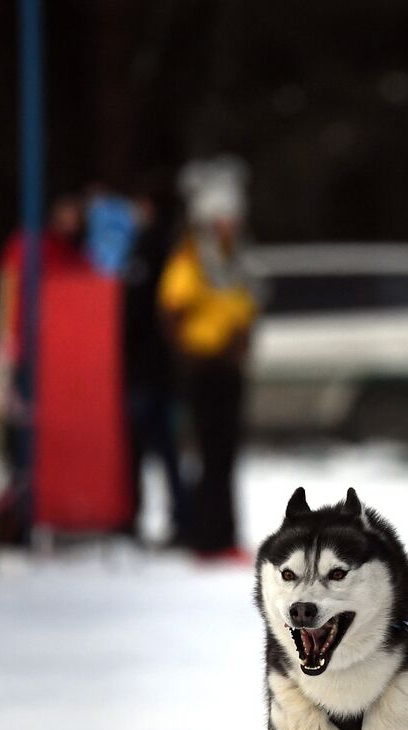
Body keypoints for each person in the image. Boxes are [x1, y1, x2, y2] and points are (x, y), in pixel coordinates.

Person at [158, 160, 257, 561]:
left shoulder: (232, 261)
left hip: (228, 367)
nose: (229, 226)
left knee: (226, 453)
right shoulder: (192, 259)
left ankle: (224, 535)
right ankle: (205, 538)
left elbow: (244, 303)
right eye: (223, 219)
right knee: (211, 453)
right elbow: (173, 305)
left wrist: (241, 335)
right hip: (205, 368)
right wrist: (194, 348)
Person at [121, 184, 186, 546]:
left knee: (140, 449)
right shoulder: (174, 248)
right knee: (168, 450)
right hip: (164, 369)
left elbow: (136, 313)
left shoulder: (147, 249)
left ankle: (135, 517)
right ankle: (179, 517)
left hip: (145, 369)